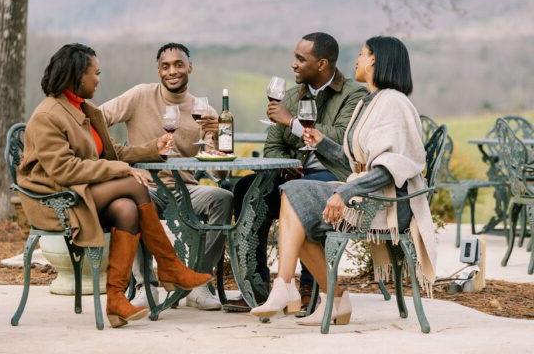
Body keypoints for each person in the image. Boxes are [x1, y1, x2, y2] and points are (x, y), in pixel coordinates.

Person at [17, 43, 212, 328]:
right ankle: (170, 266)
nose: (99, 79)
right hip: (56, 199)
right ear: (77, 75)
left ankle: (117, 299)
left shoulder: (82, 109)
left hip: (81, 192)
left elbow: (111, 152)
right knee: (133, 185)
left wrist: (152, 148)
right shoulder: (48, 116)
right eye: (95, 73)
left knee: (127, 209)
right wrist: (122, 169)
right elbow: (64, 169)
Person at [250, 36, 437, 327]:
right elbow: (354, 163)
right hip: (370, 196)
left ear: (376, 60)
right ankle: (330, 297)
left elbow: (389, 168)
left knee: (293, 199)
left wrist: (346, 191)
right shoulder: (371, 101)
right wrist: (320, 142)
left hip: (389, 202)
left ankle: (288, 286)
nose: (356, 60)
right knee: (295, 214)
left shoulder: (393, 104)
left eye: (363, 54)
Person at [228, 32, 366, 313]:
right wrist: (286, 165)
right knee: (245, 189)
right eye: (294, 57)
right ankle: (256, 288)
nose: (293, 64)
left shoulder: (354, 95)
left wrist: (292, 122)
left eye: (301, 59)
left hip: (333, 174)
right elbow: (273, 146)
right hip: (292, 175)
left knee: (300, 196)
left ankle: (308, 287)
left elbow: (341, 138)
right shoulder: (290, 95)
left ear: (322, 64)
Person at [99, 43, 232, 311]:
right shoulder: (139, 95)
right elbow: (97, 119)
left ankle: (197, 281)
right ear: (158, 70)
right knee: (130, 201)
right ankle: (143, 285)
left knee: (224, 198)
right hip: (146, 187)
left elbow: (219, 172)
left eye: (178, 64)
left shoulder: (202, 110)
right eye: (165, 66)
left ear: (189, 67)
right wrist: (120, 154)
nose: (172, 71)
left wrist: (216, 134)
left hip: (188, 190)